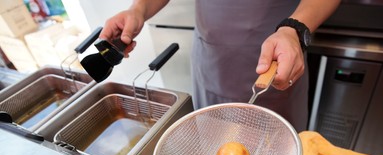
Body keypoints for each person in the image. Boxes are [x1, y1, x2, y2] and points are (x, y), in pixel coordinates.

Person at [100, 0, 341, 132]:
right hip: (212, 60)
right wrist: (138, 9)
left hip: (278, 58)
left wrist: (295, 28)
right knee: (213, 141)